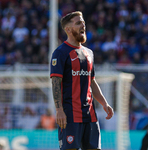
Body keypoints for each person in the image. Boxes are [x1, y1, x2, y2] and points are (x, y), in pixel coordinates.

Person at [50, 11, 114, 150]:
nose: (83, 25)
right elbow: (56, 83)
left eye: (83, 22)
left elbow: (92, 81)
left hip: (90, 114)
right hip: (70, 115)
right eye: (78, 23)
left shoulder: (89, 53)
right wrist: (59, 110)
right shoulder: (60, 53)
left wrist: (104, 103)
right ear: (68, 29)